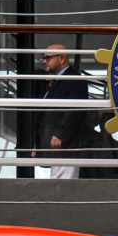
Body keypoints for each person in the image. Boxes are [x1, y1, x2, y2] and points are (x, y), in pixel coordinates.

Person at [32, 43, 88, 179]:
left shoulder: (74, 80)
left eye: (48, 58)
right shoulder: (57, 81)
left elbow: (75, 111)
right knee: (57, 188)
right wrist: (38, 145)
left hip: (66, 148)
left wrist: (60, 134)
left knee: (61, 190)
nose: (44, 61)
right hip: (57, 149)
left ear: (62, 58)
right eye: (44, 58)